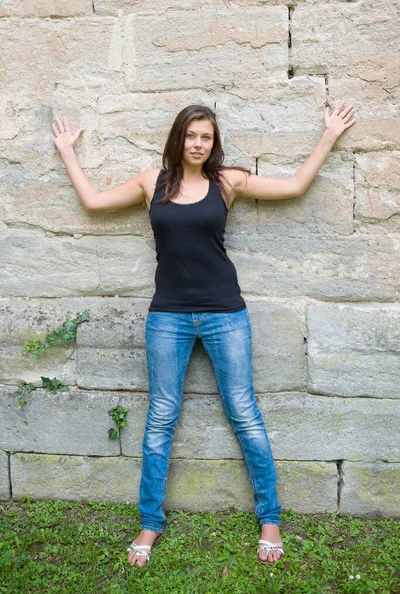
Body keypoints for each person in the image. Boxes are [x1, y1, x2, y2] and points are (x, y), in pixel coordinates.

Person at [51, 101, 356, 567]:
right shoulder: (150, 182)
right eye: (192, 135)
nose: (198, 144)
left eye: (206, 137)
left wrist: (330, 135)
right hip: (167, 316)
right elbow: (93, 202)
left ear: (214, 143)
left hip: (224, 313)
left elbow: (294, 186)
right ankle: (150, 523)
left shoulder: (226, 181)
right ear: (179, 138)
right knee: (160, 419)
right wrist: (67, 153)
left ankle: (269, 519)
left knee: (244, 412)